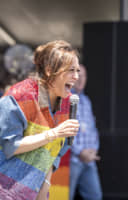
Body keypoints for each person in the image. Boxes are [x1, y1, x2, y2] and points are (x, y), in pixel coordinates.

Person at [0, 40, 80, 200]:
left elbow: (55, 154)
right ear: (50, 70)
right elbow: (10, 146)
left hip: (32, 192)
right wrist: (53, 134)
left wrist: (45, 186)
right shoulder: (19, 96)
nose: (76, 76)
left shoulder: (67, 104)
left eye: (77, 70)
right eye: (71, 70)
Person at [69, 65, 102, 200]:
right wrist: (79, 152)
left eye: (84, 76)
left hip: (89, 160)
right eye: (78, 75)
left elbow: (92, 129)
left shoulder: (86, 101)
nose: (81, 79)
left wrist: (94, 150)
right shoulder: (66, 99)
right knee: (65, 196)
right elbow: (65, 129)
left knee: (95, 196)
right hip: (72, 159)